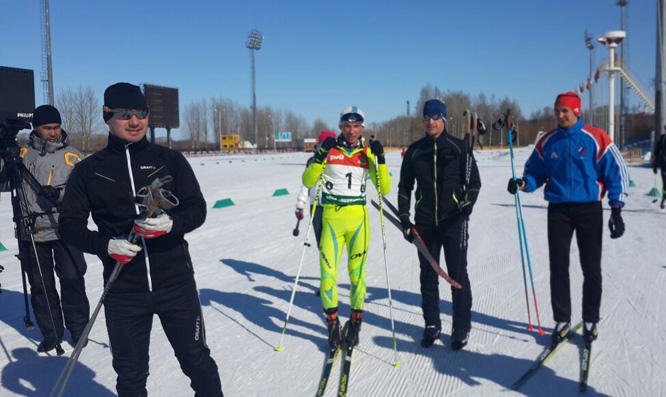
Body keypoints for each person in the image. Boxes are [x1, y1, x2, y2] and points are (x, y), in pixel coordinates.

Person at [58, 83, 223, 396]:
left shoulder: (170, 160)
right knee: (131, 375)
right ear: (107, 116)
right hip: (124, 292)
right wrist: (105, 245)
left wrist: (171, 224)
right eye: (124, 114)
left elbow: (196, 209)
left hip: (176, 284)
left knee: (197, 361)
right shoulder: (88, 171)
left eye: (141, 113)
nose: (135, 121)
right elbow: (69, 226)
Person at [507, 92, 628, 344]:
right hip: (559, 211)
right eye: (557, 111)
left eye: (565, 111)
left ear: (576, 112)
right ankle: (562, 320)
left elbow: (616, 172)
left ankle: (590, 319)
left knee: (591, 268)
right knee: (558, 267)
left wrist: (616, 208)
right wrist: (522, 183)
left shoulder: (596, 137)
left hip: (589, 210)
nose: (560, 116)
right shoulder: (548, 142)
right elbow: (534, 173)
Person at [0, 105, 90, 354]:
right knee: (40, 286)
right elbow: (4, 182)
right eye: (47, 128)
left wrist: (59, 195)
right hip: (31, 230)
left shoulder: (73, 155)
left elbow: (84, 192)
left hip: (65, 229)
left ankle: (79, 329)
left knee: (72, 279)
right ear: (36, 128)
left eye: (56, 127)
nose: (53, 132)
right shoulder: (22, 154)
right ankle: (51, 334)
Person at [302, 106, 390, 349]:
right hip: (332, 218)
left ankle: (354, 324)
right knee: (328, 278)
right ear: (340, 127)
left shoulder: (366, 153)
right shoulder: (330, 150)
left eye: (356, 126)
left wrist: (380, 160)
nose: (351, 131)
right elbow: (308, 181)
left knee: (356, 276)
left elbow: (384, 189)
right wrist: (320, 157)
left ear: (362, 127)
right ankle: (332, 326)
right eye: (347, 126)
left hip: (358, 221)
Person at [397, 99, 481, 350]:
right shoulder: (414, 151)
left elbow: (474, 182)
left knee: (457, 275)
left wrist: (469, 203)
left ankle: (460, 326)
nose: (430, 121)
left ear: (444, 119)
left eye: (435, 117)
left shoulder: (458, 147)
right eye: (427, 117)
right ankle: (432, 325)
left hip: (454, 220)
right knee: (428, 275)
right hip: (424, 223)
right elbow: (404, 187)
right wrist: (404, 217)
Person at [295, 131, 338, 247]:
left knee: (332, 243)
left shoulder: (337, 161)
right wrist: (300, 204)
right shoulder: (312, 162)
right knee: (321, 243)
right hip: (315, 207)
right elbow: (305, 185)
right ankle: (325, 263)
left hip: (332, 206)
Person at [653, 132, 666, 209]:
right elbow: (657, 152)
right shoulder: (663, 138)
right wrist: (655, 165)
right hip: (664, 166)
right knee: (665, 185)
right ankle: (664, 198)